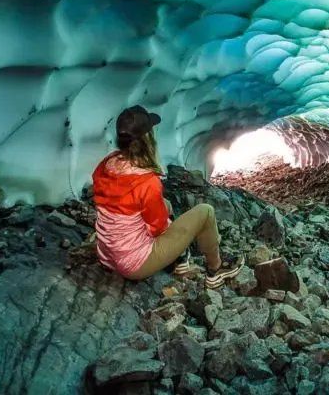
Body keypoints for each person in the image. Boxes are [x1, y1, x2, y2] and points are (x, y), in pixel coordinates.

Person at [93, 105, 243, 289]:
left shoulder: (107, 165)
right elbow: (157, 228)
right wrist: (174, 229)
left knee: (166, 205)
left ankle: (179, 261)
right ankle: (216, 269)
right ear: (147, 138)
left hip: (108, 253)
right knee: (205, 212)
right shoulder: (146, 182)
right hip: (134, 263)